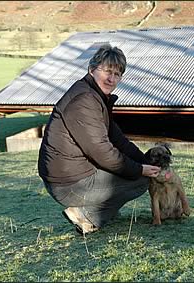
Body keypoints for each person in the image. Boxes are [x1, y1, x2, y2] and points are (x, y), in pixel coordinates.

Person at [37, 44, 161, 235]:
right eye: (107, 71)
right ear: (92, 69)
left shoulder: (94, 97)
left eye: (117, 74)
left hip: (72, 174)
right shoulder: (84, 100)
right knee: (139, 180)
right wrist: (140, 169)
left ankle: (102, 211)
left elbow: (119, 141)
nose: (111, 78)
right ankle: (87, 216)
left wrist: (146, 162)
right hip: (68, 184)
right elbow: (101, 151)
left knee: (135, 172)